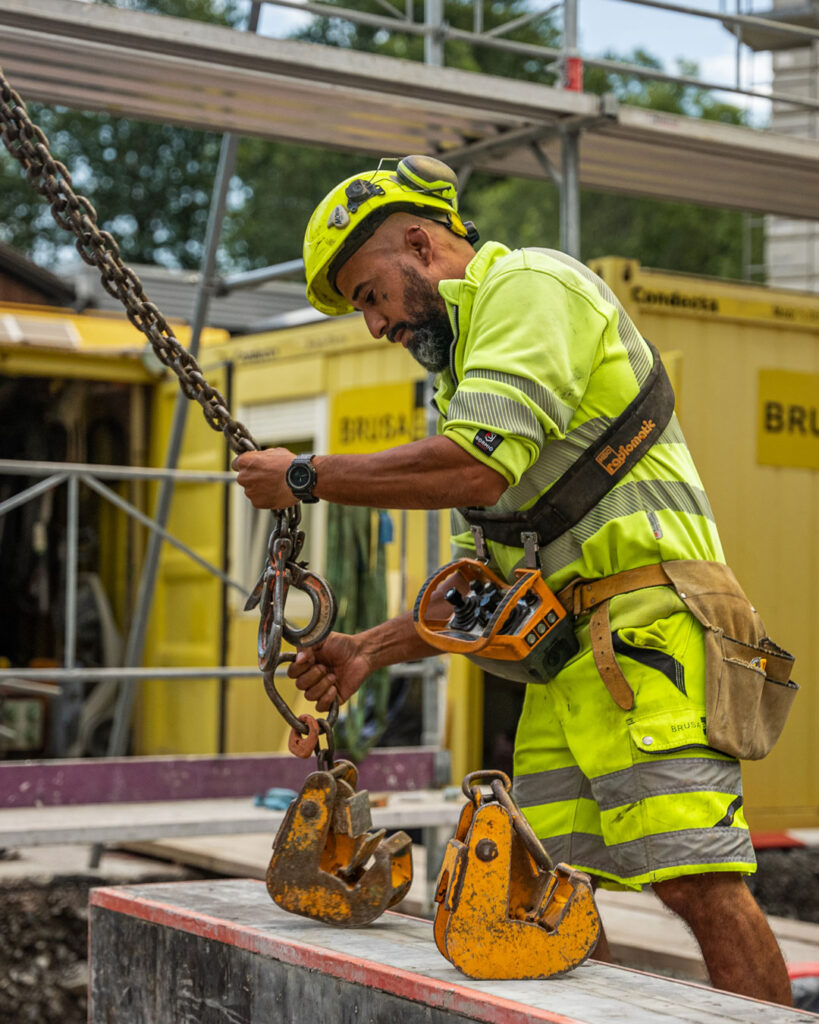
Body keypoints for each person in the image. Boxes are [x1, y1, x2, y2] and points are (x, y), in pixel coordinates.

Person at [233, 155, 792, 1005]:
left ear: (419, 243)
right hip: (571, 660)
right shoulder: (465, 368)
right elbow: (487, 582)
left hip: (649, 632)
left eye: (369, 294)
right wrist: (366, 651)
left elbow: (475, 471)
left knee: (693, 880)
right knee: (551, 895)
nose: (375, 326)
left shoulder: (529, 289)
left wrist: (306, 476)